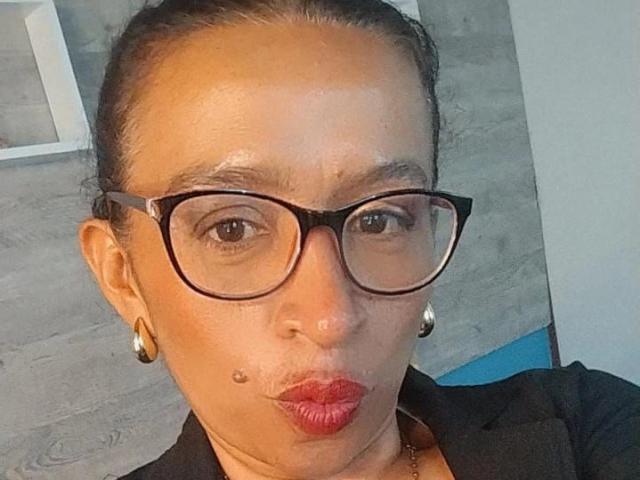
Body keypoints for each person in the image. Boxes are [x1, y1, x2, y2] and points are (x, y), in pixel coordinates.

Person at [77, 1, 640, 479]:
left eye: (380, 220)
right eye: (233, 228)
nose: (331, 319)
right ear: (123, 277)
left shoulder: (586, 428)